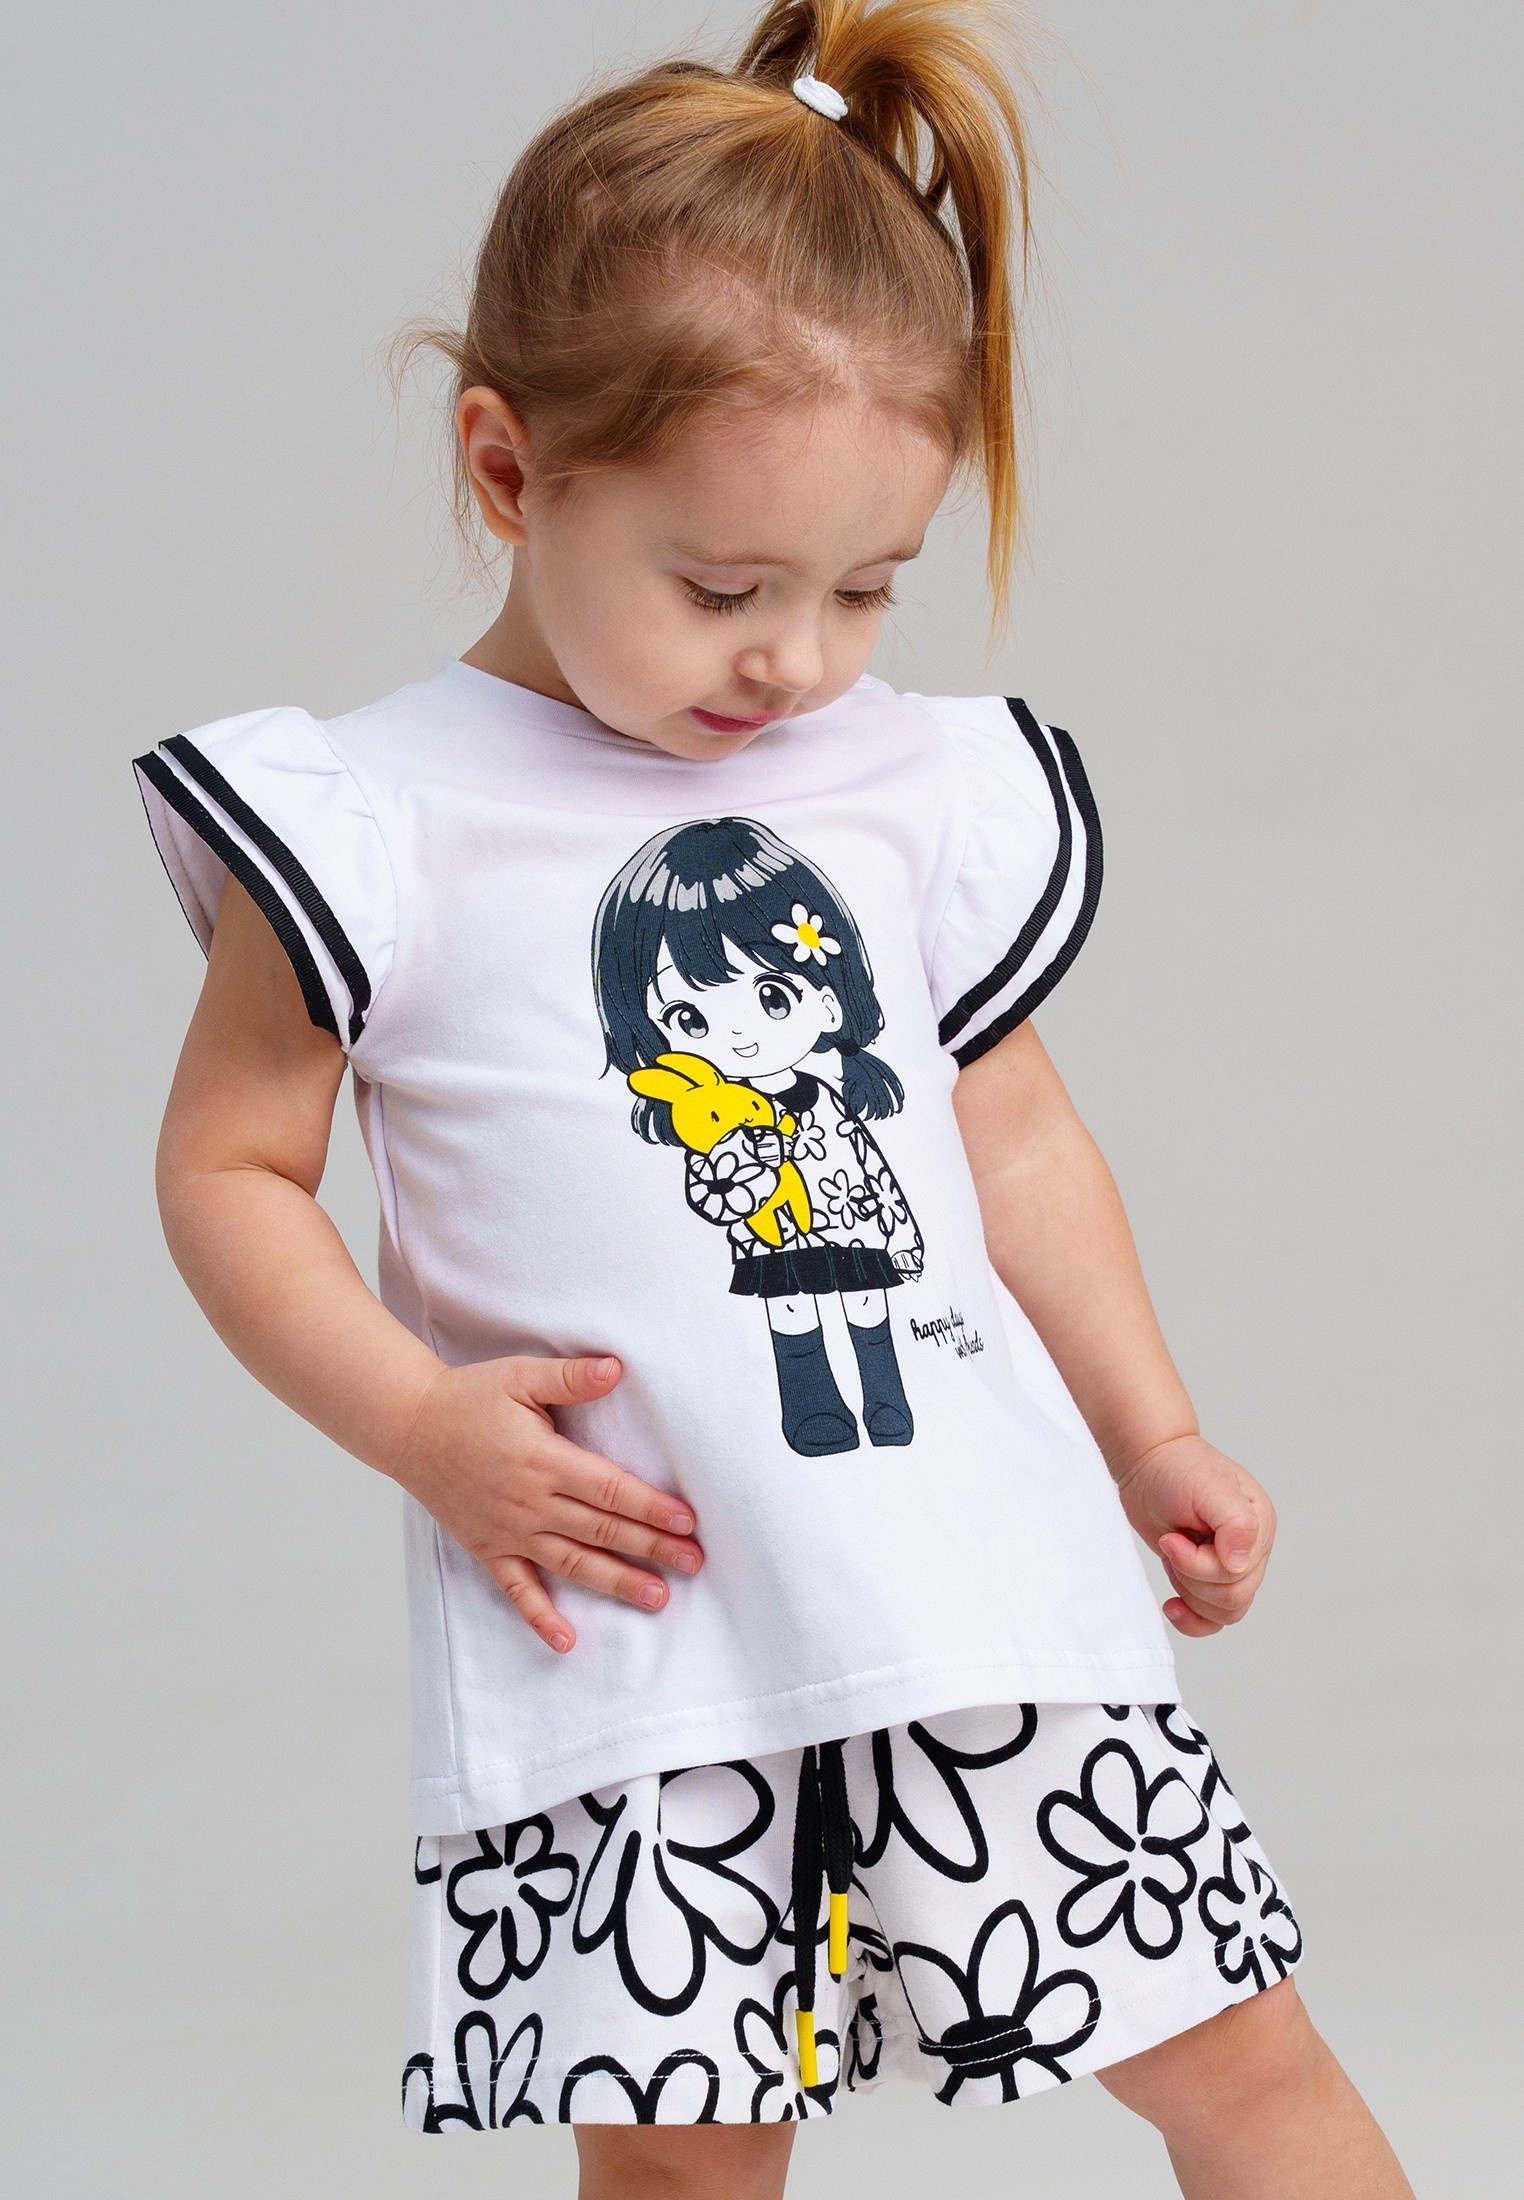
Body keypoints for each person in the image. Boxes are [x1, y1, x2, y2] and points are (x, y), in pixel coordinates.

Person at [135, 2, 1412, 2191]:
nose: (794, 658)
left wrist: (1152, 1428)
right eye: (724, 586)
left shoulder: (902, 781)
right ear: (508, 470)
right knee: (684, 2159)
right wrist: (420, 1423)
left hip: (973, 1585)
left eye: (864, 588)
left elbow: (1014, 1133)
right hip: (643, 1646)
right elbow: (228, 1169)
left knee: (1240, 2054)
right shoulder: (374, 820)